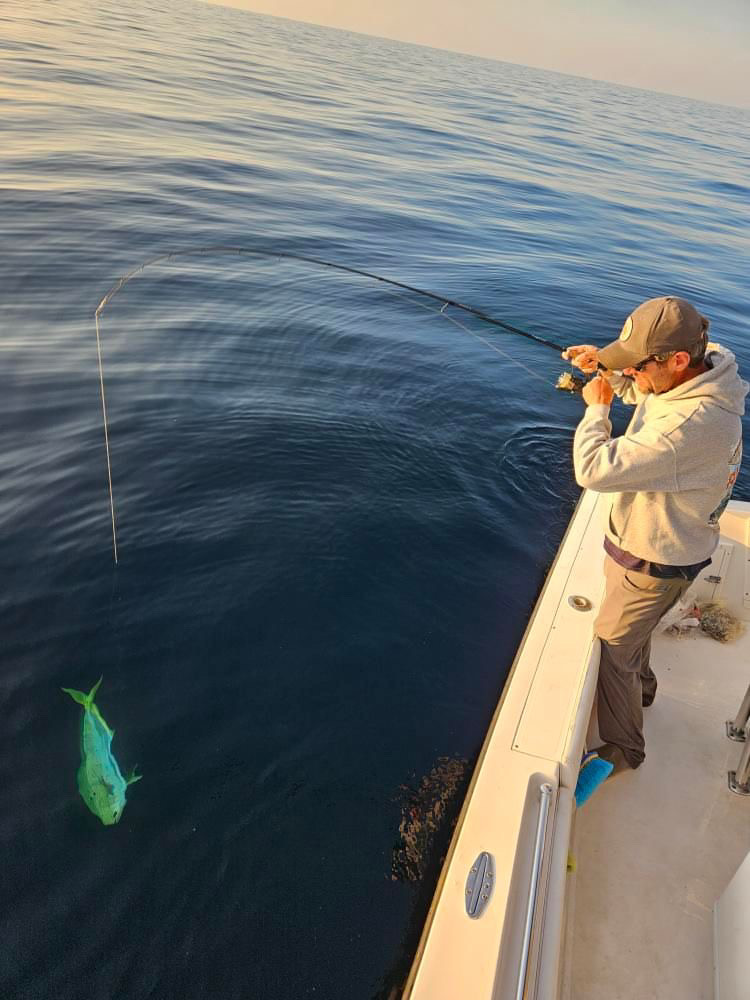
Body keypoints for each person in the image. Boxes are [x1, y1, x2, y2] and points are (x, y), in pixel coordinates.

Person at [564, 296, 748, 774]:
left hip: (654, 560)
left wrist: (597, 409)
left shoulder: (689, 427)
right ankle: (643, 692)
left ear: (679, 360)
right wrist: (611, 367)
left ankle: (625, 750)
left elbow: (593, 469)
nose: (636, 377)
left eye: (640, 366)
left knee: (612, 647)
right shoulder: (712, 370)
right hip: (671, 550)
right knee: (636, 635)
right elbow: (652, 388)